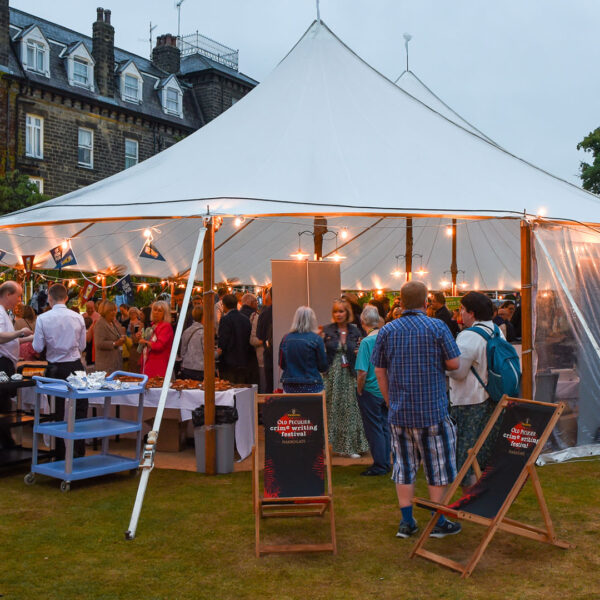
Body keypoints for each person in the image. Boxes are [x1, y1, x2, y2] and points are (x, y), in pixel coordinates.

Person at [372, 280, 462, 539]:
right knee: (438, 466)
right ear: (426, 302)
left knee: (403, 467)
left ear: (400, 301)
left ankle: (407, 522)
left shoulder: (387, 330)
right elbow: (454, 363)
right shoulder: (436, 326)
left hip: (400, 412)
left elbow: (379, 370)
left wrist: (390, 401)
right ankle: (438, 520)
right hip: (432, 409)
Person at [447, 291, 505, 491]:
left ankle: (471, 499)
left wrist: (442, 365)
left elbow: (458, 372)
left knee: (465, 455)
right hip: (493, 397)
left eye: (461, 309)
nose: (460, 313)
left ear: (471, 312)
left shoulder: (469, 336)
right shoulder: (496, 330)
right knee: (483, 452)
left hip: (469, 401)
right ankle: (485, 496)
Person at [32, 284, 86, 460]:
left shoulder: (42, 318)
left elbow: (37, 347)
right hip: (76, 367)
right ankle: (78, 450)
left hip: (55, 367)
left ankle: (60, 453)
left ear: (49, 297)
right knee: (79, 409)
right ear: (67, 298)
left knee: (57, 411)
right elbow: (83, 346)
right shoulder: (78, 317)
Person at [322, 299, 368, 458]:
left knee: (350, 409)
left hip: (349, 374)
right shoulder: (327, 330)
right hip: (332, 375)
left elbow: (360, 349)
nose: (338, 314)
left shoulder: (355, 331)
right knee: (331, 409)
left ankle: (350, 446)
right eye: (335, 311)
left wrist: (357, 352)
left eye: (341, 311)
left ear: (347, 313)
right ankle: (331, 445)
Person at [355, 305, 390, 476]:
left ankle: (380, 464)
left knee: (374, 428)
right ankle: (386, 461)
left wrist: (359, 390)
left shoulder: (366, 342)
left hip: (370, 389)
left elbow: (362, 372)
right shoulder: (386, 338)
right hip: (386, 389)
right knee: (384, 426)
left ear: (362, 322)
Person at [0, 282, 33, 449]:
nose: (19, 300)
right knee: (3, 403)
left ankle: (7, 442)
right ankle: (6, 444)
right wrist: (20, 332)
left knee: (5, 403)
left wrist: (29, 338)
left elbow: (11, 339)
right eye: (18, 295)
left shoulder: (5, 313)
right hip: (1, 364)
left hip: (6, 362)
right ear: (7, 294)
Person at [279, 306, 328, 393]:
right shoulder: (317, 339)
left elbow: (282, 364)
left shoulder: (285, 338)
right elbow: (323, 367)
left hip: (289, 387)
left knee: (291, 407)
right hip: (313, 386)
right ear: (312, 320)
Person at [217, 293, 253, 383]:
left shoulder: (225, 319)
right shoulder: (245, 319)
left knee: (230, 390)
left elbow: (223, 341)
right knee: (241, 389)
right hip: (244, 360)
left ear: (224, 305)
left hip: (229, 362)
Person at [137, 300, 174, 378]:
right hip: (147, 363)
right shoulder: (152, 325)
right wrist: (140, 337)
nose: (156, 312)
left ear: (165, 314)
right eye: (155, 310)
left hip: (158, 365)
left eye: (160, 311)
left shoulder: (166, 326)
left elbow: (159, 346)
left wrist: (145, 342)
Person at [94, 301, 126, 374]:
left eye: (115, 310)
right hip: (106, 365)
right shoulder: (100, 324)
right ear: (105, 311)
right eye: (111, 310)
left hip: (115, 363)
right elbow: (99, 343)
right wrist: (115, 343)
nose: (114, 312)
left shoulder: (112, 322)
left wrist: (122, 338)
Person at [240, 293, 260, 385]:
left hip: (240, 355)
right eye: (256, 302)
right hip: (252, 353)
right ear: (252, 303)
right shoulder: (254, 315)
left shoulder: (238, 314)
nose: (257, 304)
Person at [180, 306, 204, 380]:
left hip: (187, 367)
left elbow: (182, 352)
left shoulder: (186, 331)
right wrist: (217, 353)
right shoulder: (204, 332)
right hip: (200, 369)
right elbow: (208, 352)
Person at [256, 287, 273, 393]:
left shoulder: (265, 313)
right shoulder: (287, 309)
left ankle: (270, 409)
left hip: (269, 353)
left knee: (270, 385)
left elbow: (260, 335)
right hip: (285, 355)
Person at [125, 307, 143, 372]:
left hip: (135, 343)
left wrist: (133, 333)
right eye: (131, 312)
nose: (132, 314)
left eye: (134, 312)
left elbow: (136, 336)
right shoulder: (126, 322)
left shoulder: (139, 323)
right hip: (127, 341)